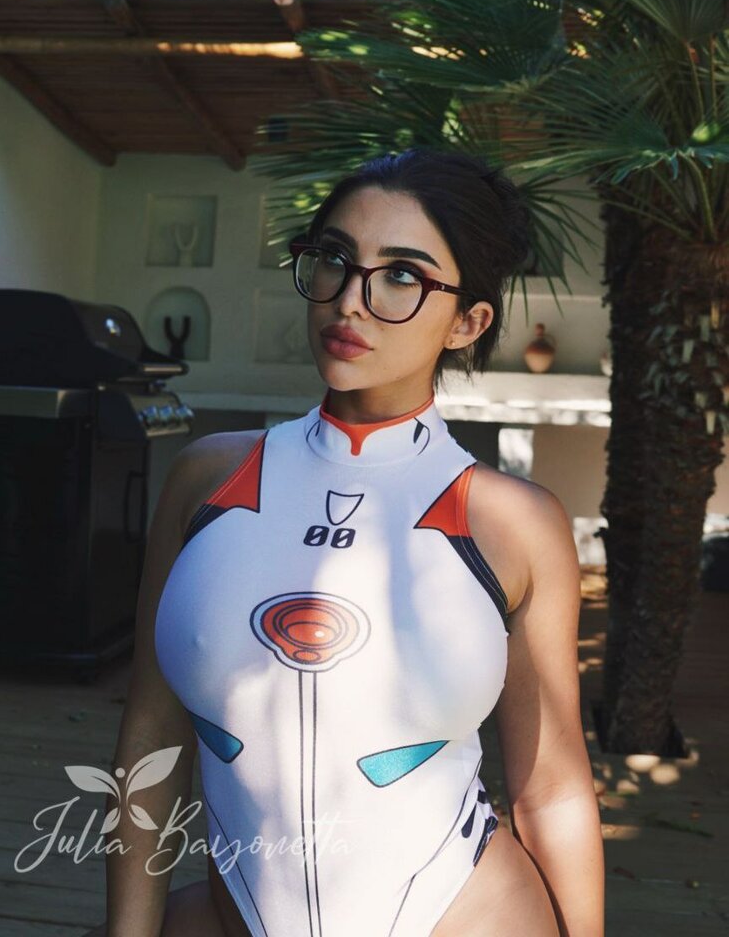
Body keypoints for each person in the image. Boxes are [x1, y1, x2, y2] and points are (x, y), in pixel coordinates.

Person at [83, 148, 605, 937]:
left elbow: (553, 788)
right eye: (334, 258)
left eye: (401, 275)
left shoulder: (513, 521)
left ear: (468, 322)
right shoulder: (206, 479)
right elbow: (152, 735)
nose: (351, 301)